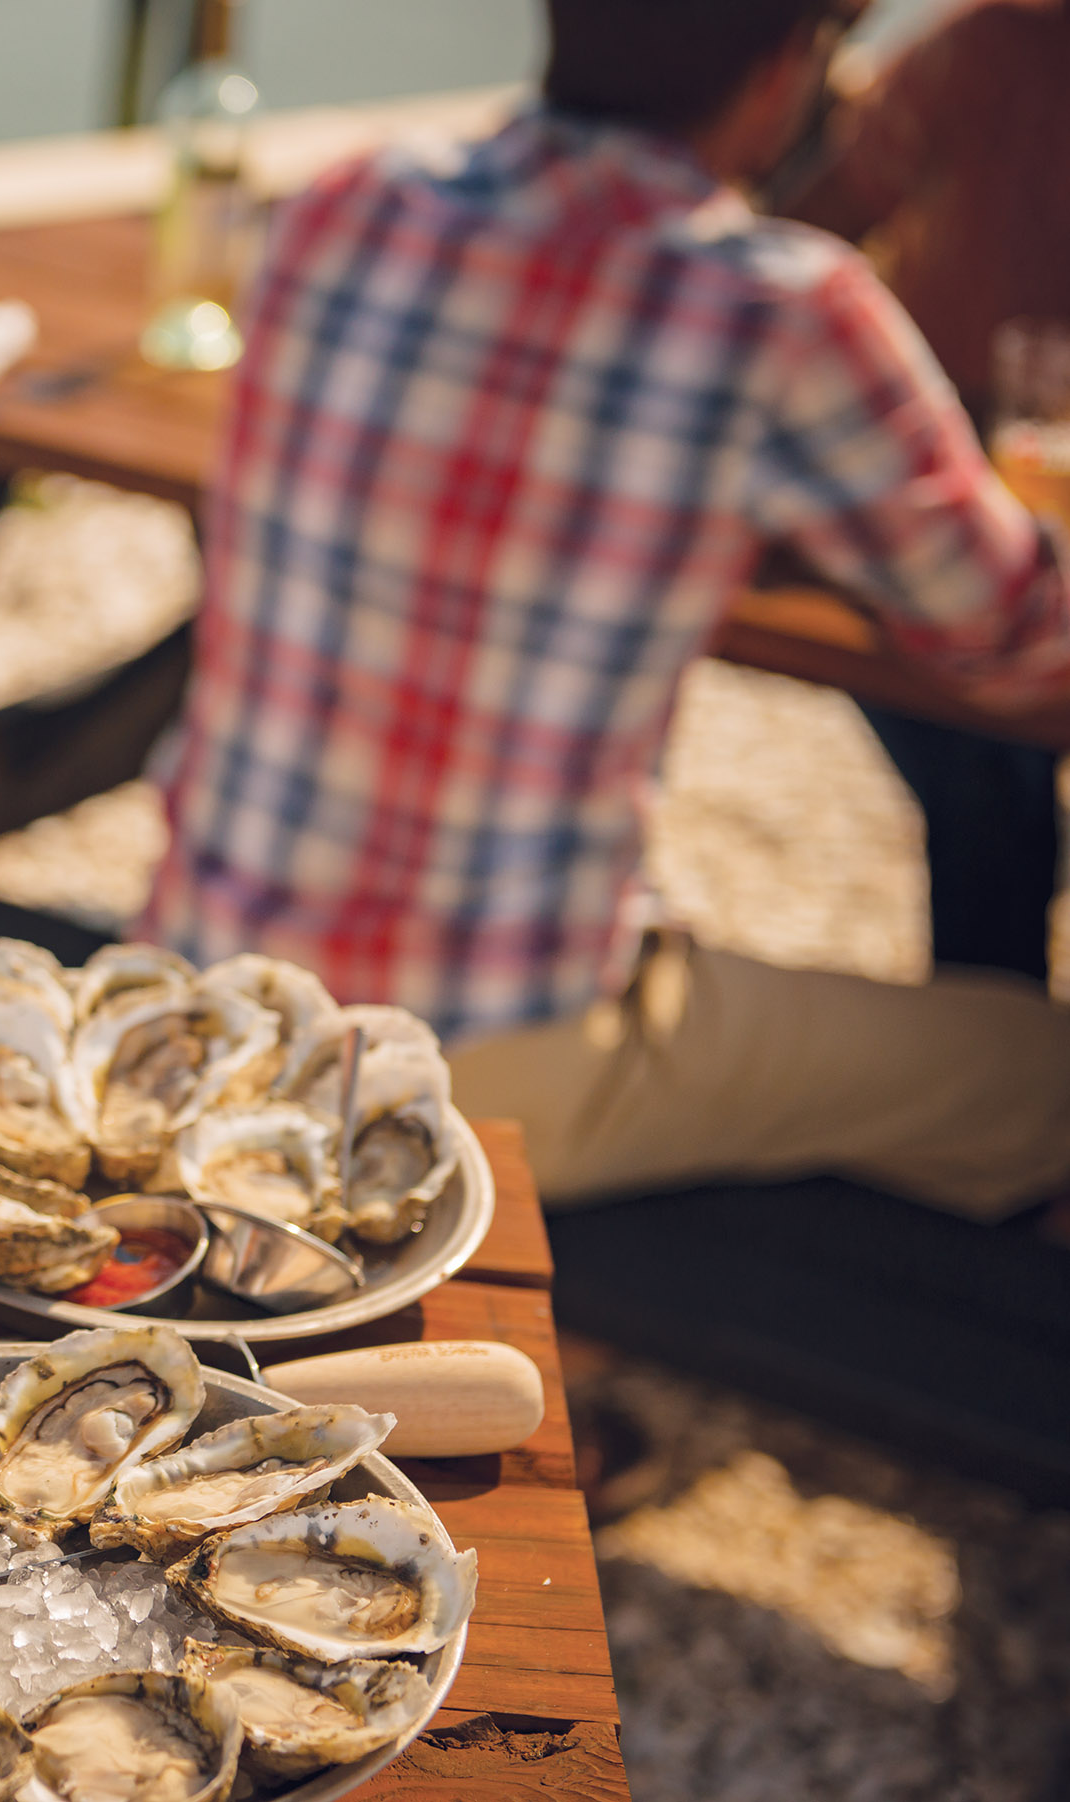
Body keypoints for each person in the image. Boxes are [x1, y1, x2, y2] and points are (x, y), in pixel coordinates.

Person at [138, 0, 1070, 1219]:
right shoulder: (781, 311)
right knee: (1035, 1066)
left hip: (204, 977)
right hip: (481, 1054)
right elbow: (1020, 641)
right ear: (782, 72)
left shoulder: (338, 204)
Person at [780, 0, 1070, 985]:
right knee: (993, 774)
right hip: (953, 480)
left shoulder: (968, 47)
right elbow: (815, 221)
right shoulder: (976, 48)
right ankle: (1004, 1063)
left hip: (960, 491)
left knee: (994, 777)